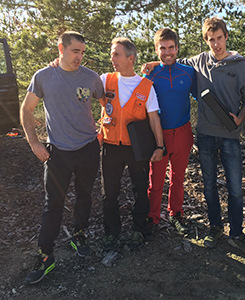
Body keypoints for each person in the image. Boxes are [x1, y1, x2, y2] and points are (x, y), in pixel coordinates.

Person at [144, 17, 245, 256]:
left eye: (219, 38)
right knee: (185, 184)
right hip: (183, 134)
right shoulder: (182, 66)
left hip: (213, 134)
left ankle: (228, 231)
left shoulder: (229, 66)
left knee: (226, 187)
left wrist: (239, 118)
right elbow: (168, 65)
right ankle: (164, 220)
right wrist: (154, 62)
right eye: (210, 40)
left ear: (226, 37)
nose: (216, 44)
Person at [21, 31, 104, 284]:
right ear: (61, 48)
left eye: (82, 52)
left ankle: (79, 235)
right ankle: (46, 256)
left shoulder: (91, 78)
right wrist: (34, 141)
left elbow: (104, 102)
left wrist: (101, 128)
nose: (79, 56)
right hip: (57, 153)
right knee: (52, 205)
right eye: (74, 51)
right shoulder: (44, 76)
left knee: (85, 196)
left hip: (88, 149)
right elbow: (26, 108)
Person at [99, 38, 164, 251]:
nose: (112, 58)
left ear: (131, 58)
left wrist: (160, 146)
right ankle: (111, 232)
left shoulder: (146, 86)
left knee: (140, 189)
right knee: (109, 193)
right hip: (110, 146)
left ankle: (138, 228)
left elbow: (154, 119)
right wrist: (58, 63)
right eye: (112, 53)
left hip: (137, 148)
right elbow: (79, 82)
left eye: (117, 54)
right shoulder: (105, 80)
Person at [145, 28, 197, 235]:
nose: (167, 52)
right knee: (156, 178)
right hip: (159, 134)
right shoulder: (150, 73)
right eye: (162, 48)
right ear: (156, 49)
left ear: (177, 48)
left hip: (183, 132)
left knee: (178, 177)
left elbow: (202, 96)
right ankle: (152, 216)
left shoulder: (188, 72)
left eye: (171, 48)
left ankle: (176, 213)